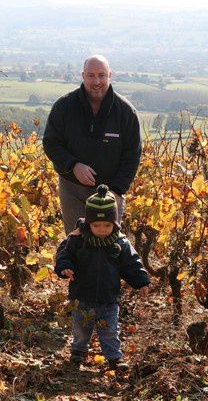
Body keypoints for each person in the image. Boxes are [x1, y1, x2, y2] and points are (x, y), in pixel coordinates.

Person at [54, 184, 150, 371]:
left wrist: (141, 281)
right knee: (81, 328)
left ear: (114, 223)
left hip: (108, 297)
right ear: (88, 222)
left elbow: (131, 263)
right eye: (96, 225)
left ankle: (114, 358)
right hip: (82, 295)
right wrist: (65, 267)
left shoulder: (119, 243)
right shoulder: (77, 239)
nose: (102, 229)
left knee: (109, 330)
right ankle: (78, 351)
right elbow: (64, 254)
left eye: (107, 225)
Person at [43, 54, 142, 234]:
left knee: (107, 248)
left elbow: (132, 155)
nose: (96, 81)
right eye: (91, 75)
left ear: (110, 75)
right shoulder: (64, 106)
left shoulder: (126, 112)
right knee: (76, 245)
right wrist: (73, 165)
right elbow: (51, 143)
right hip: (72, 190)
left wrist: (117, 191)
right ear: (83, 76)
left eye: (101, 75)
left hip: (110, 192)